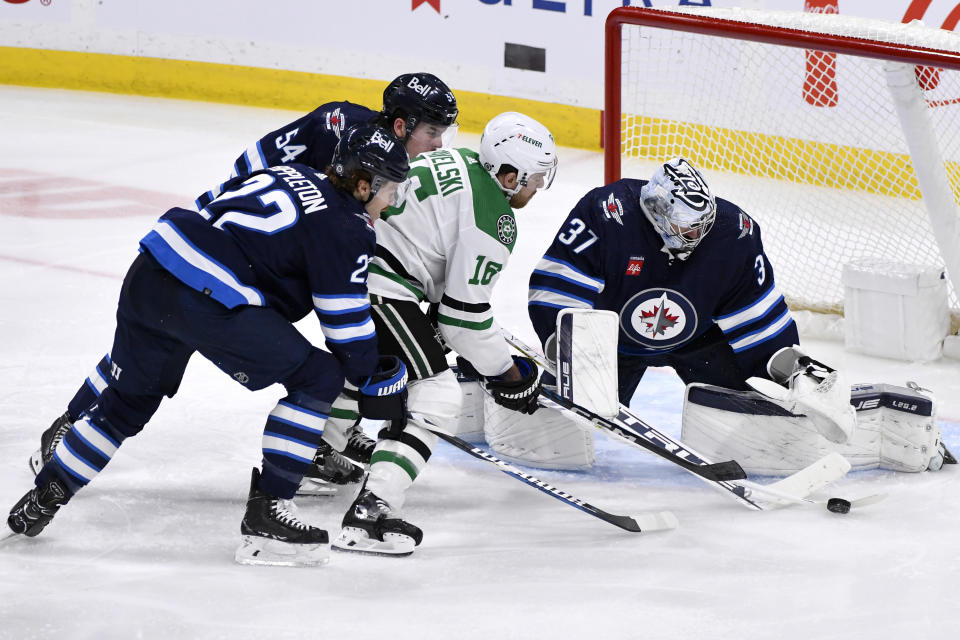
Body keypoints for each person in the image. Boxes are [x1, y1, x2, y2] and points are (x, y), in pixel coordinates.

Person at [28, 72, 459, 489]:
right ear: (402, 124)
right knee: (162, 340)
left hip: (265, 250)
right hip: (233, 248)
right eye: (433, 131)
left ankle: (317, 435)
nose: (438, 144)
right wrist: (232, 230)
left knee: (166, 335)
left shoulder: (377, 152)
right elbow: (253, 166)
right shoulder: (340, 131)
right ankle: (71, 422)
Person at [7, 125, 412, 567]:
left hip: (150, 272)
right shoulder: (348, 226)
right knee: (319, 376)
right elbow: (346, 330)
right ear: (362, 184)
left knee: (125, 405)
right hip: (205, 297)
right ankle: (268, 515)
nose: (392, 201)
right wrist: (374, 376)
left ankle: (48, 492)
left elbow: (208, 206)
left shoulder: (290, 173)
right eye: (389, 188)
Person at [525, 157, 952, 473]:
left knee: (764, 412)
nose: (699, 235)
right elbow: (557, 288)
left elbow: (761, 320)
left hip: (699, 343)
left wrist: (796, 371)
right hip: (610, 342)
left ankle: (889, 432)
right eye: (690, 228)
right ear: (658, 212)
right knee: (564, 421)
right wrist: (568, 352)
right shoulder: (606, 212)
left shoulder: (733, 234)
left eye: (703, 225)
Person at [330, 111, 559, 557]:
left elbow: (442, 289)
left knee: (371, 367)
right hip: (381, 286)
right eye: (533, 179)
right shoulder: (494, 217)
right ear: (509, 175)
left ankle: (316, 456)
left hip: (349, 269)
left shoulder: (457, 160)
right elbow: (462, 319)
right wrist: (508, 375)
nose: (535, 189)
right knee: (436, 393)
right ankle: (370, 514)